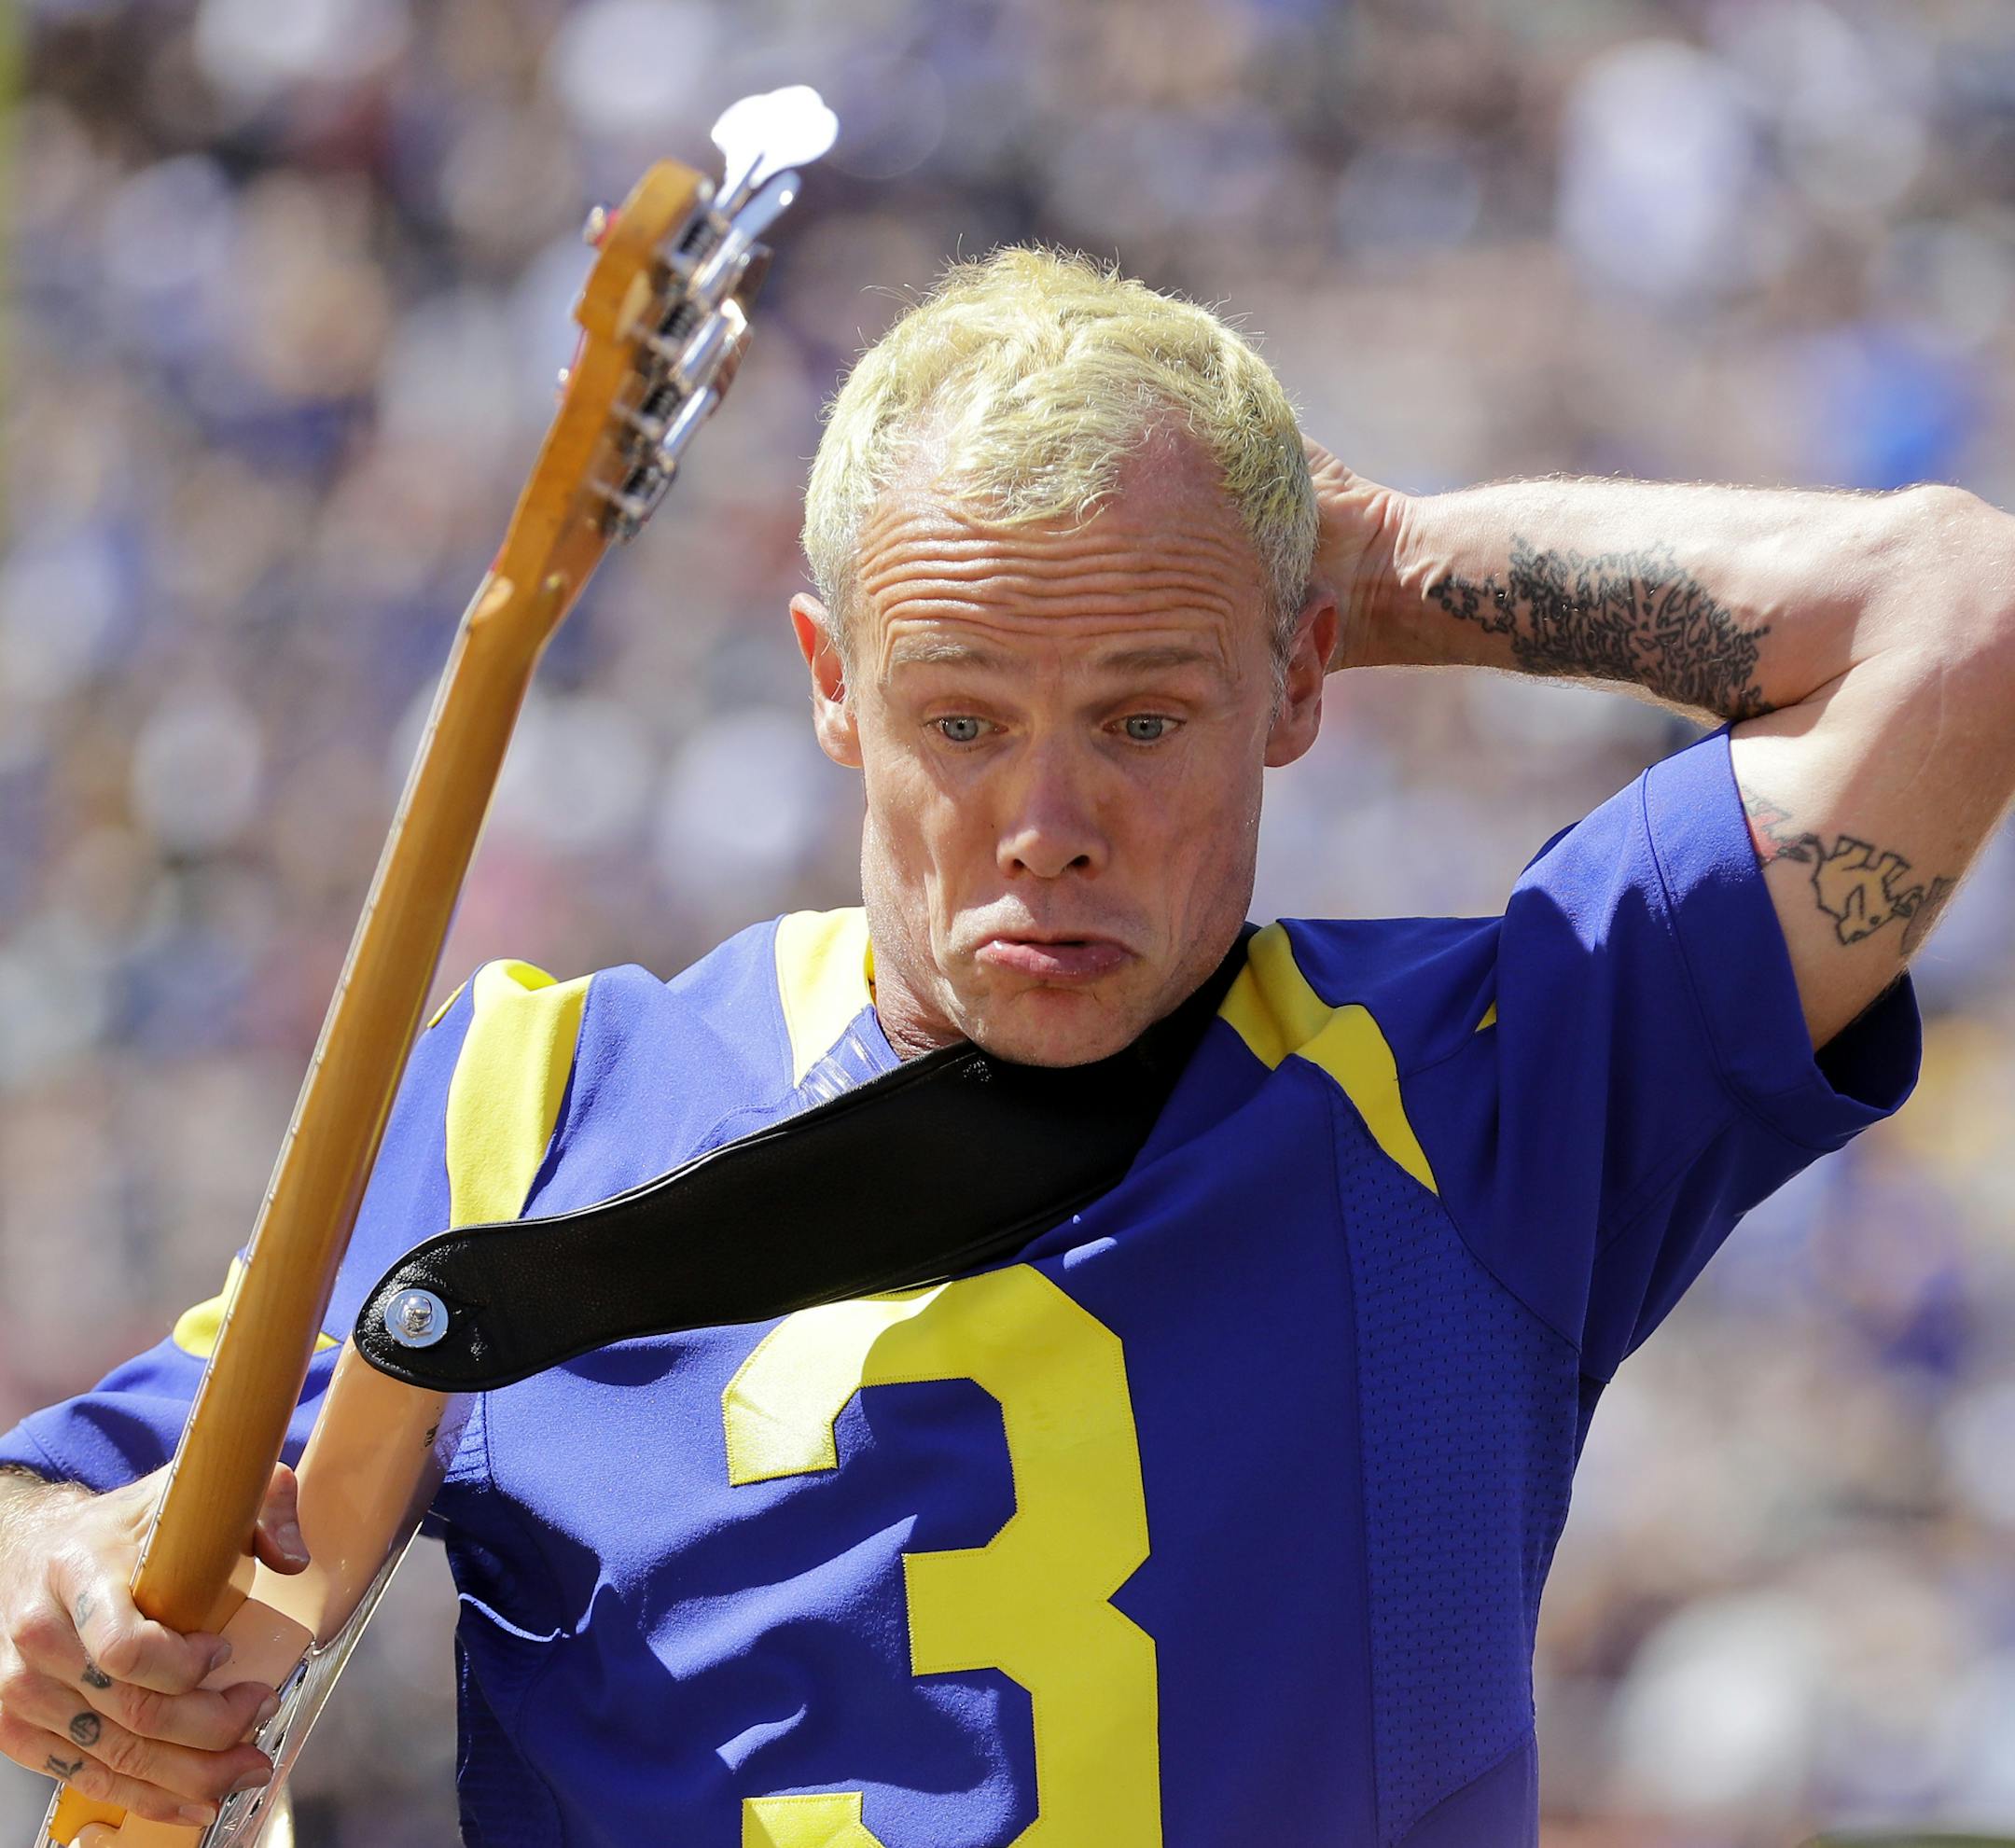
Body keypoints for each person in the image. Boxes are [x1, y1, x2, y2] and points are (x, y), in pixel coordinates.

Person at [0, 246, 2006, 1847]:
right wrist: (69, 1599)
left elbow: (1956, 615)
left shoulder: (1489, 1084)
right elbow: (70, 1517)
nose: (1051, 819)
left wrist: (1372, 560)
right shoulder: (534, 1103)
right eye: (963, 715)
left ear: (1296, 681)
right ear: (830, 686)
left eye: (1144, 714)